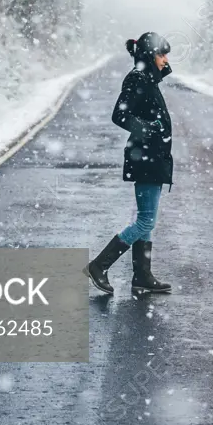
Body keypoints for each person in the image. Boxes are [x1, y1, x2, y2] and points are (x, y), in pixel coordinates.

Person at [85, 32, 174, 297]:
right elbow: (119, 114)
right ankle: (99, 265)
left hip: (154, 159)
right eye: (162, 54)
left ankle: (142, 276)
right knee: (145, 221)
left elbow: (158, 74)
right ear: (150, 55)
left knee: (147, 219)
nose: (166, 60)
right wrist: (147, 129)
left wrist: (157, 64)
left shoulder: (148, 78)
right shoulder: (138, 78)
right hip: (145, 158)